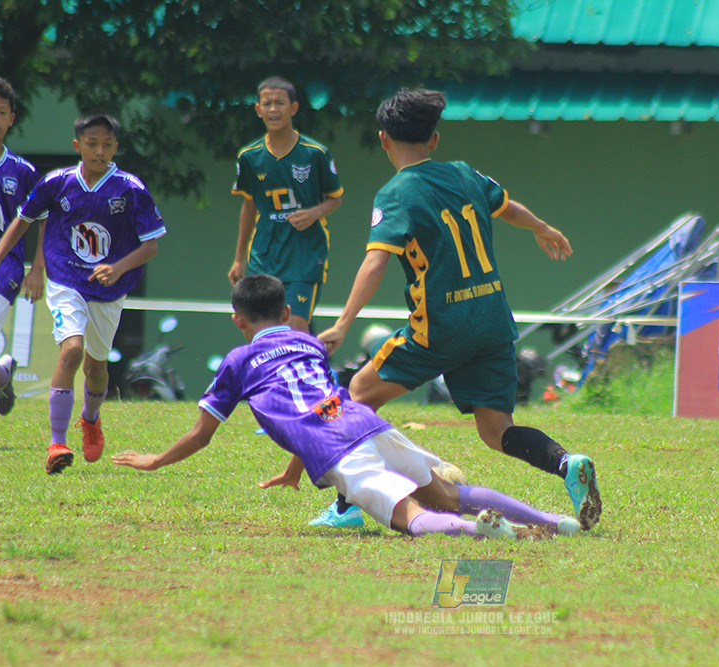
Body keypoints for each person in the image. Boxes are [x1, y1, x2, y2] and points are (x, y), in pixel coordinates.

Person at [318, 88, 602, 531]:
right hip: (492, 321)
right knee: (497, 430)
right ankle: (567, 463)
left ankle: (348, 507)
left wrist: (342, 323)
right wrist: (543, 229)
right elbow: (507, 207)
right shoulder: (465, 174)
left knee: (357, 395)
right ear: (434, 140)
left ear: (383, 139)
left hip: (441, 326)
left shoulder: (395, 193)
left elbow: (375, 261)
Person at [112, 275, 581, 541]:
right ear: (284, 314)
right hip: (368, 424)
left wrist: (155, 460)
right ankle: (555, 522)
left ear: (239, 320)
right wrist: (295, 471)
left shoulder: (238, 361)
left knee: (410, 519)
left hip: (335, 449)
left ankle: (487, 533)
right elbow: (313, 402)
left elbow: (202, 433)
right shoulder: (307, 344)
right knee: (451, 493)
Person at [0, 111, 167, 473]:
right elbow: (21, 222)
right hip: (65, 280)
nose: (99, 151)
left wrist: (118, 267)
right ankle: (56, 443)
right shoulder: (57, 182)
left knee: (96, 367)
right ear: (78, 146)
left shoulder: (129, 188)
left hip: (109, 289)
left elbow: (151, 245)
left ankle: (90, 418)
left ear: (115, 148)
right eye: (92, 144)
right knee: (71, 350)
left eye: (107, 145)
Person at [228, 76, 343, 332]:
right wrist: (239, 259)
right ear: (258, 110)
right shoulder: (249, 156)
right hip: (264, 255)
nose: (272, 109)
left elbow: (335, 198)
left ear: (293, 108)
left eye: (279, 103)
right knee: (259, 331)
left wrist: (314, 213)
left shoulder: (316, 153)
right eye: (266, 103)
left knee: (293, 330)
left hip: (304, 255)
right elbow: (249, 206)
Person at [0, 76, 42, 449]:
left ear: (12, 118)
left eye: (1, 113)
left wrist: (38, 267)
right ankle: (1, 374)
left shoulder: (22, 171)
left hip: (4, 269)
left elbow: (42, 218)